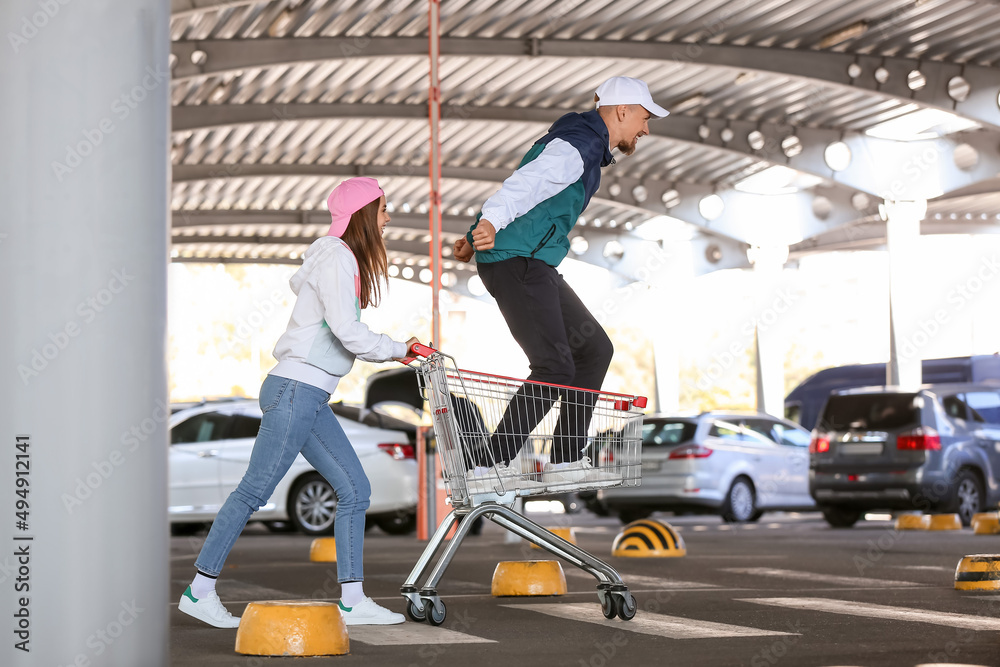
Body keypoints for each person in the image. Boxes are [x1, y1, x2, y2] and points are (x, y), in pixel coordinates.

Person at [179, 177, 419, 628]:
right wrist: (396, 348)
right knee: (255, 491)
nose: (388, 218)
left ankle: (351, 599)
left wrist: (393, 348)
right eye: (384, 209)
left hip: (309, 395)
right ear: (365, 214)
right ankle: (200, 590)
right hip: (296, 391)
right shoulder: (336, 257)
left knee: (354, 489)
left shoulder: (339, 259)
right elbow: (348, 331)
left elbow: (341, 334)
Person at [453, 76, 668, 488]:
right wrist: (490, 222)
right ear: (622, 111)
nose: (645, 129)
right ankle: (487, 465)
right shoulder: (578, 145)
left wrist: (474, 233)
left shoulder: (582, 144)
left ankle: (566, 457)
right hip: (517, 261)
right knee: (553, 365)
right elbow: (524, 185)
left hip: (531, 260)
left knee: (593, 349)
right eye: (644, 118)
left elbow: (533, 191)